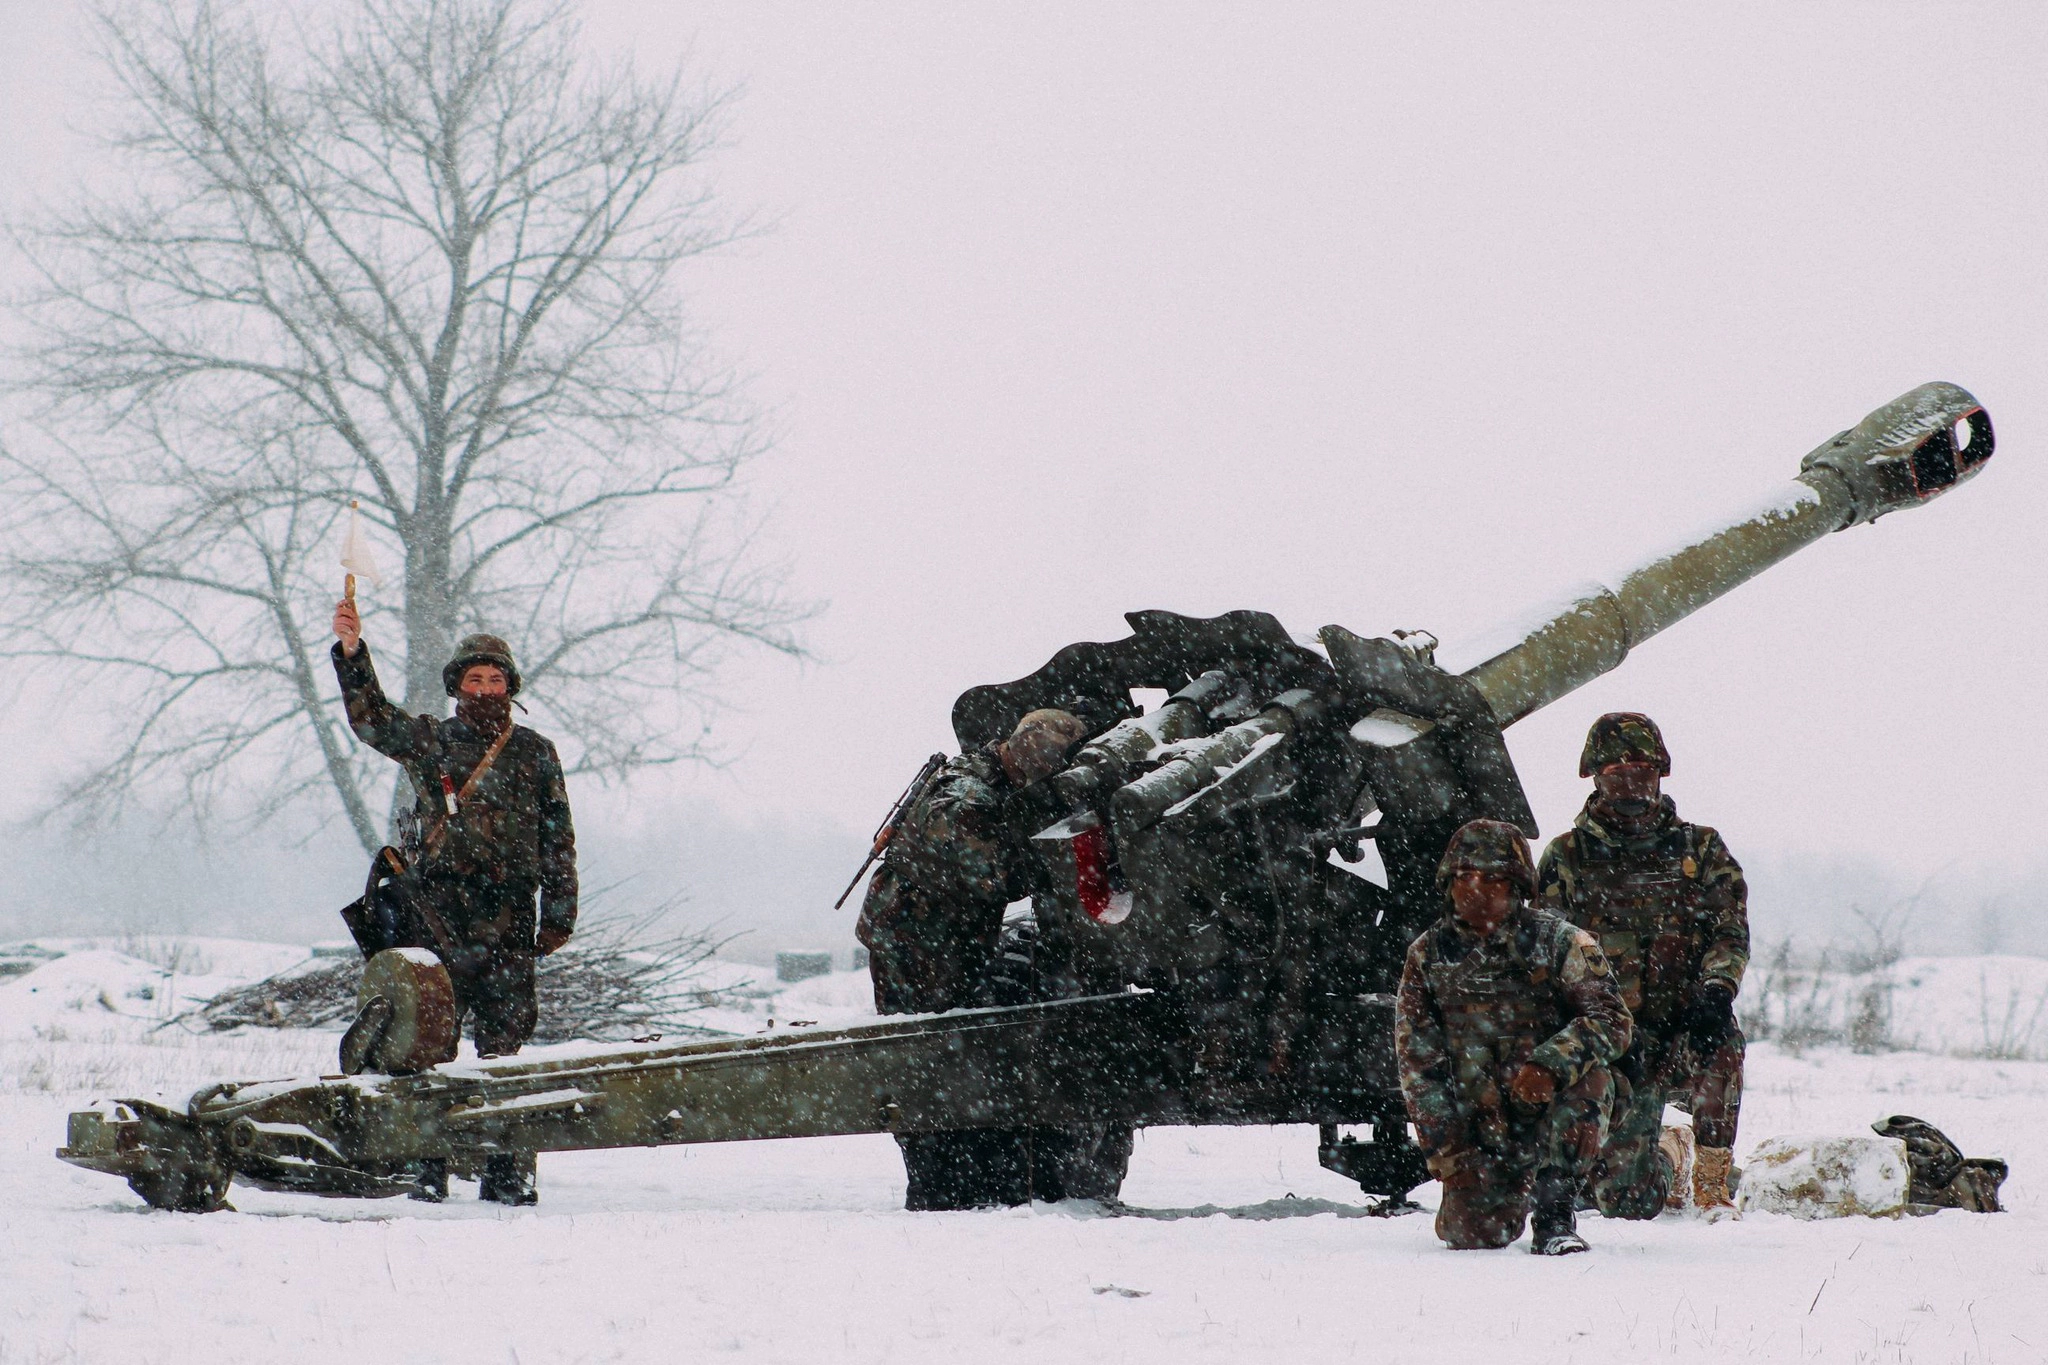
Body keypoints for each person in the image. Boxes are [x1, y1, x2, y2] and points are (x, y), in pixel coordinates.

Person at [331, 598, 577, 1205]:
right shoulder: (431, 741)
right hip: (438, 917)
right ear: (457, 686)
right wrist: (353, 655)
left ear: (511, 685)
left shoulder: (537, 752)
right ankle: (428, 1170)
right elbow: (369, 720)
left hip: (512, 921)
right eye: (476, 678)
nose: (487, 687)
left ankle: (508, 1173)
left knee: (506, 1052)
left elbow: (558, 835)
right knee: (428, 1046)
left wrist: (559, 915)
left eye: (497, 679)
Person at [856, 707, 1100, 1209]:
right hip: (917, 943)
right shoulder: (966, 797)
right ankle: (935, 1188)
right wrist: (1061, 857)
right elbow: (996, 874)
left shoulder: (990, 779)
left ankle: (964, 1177)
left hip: (947, 937)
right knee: (927, 1062)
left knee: (956, 1057)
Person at [1537, 712, 1748, 1216]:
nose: (1631, 783)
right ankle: (1667, 1154)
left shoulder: (1701, 848)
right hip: (1609, 1043)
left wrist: (1716, 991)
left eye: (1641, 770)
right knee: (1628, 1205)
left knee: (1723, 1048)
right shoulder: (1567, 856)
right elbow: (1544, 955)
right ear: (1595, 776)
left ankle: (1714, 1180)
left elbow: (1729, 929)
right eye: (1617, 772)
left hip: (1681, 1028)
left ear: (1660, 773)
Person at [1395, 818, 1631, 1255]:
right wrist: (1448, 1152)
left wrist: (1550, 1064)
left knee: (1594, 1083)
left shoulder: (1561, 942)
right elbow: (1417, 1064)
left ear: (1516, 884)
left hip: (1550, 1109)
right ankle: (1509, 1184)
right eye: (1464, 877)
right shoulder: (1427, 954)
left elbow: (1611, 1020)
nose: (1475, 888)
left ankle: (1556, 1211)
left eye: (1491, 878)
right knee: (1474, 1236)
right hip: (1481, 1123)